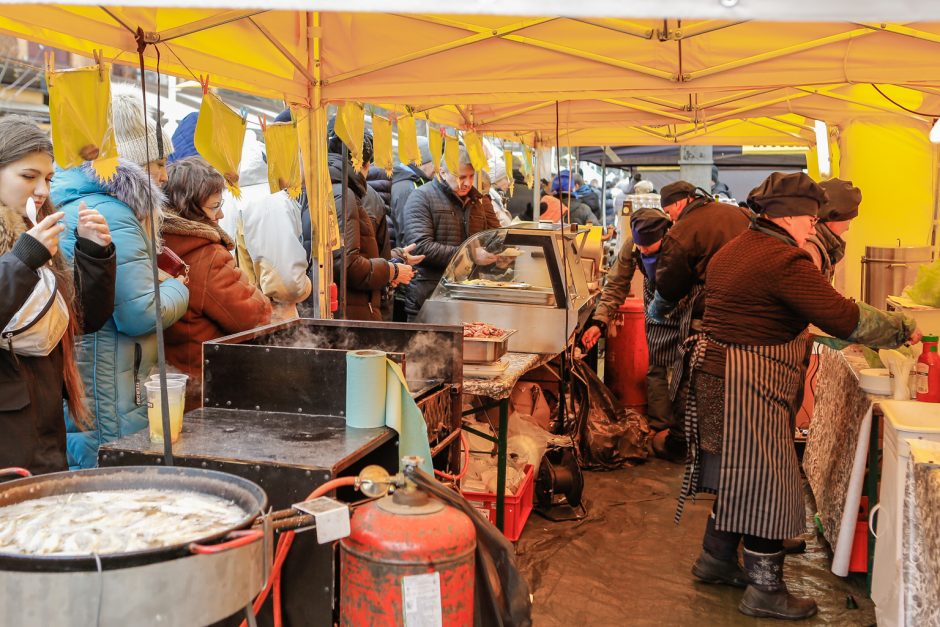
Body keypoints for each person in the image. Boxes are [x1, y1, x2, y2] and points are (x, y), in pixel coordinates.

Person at [680, 171, 919, 620]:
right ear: (789, 217)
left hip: (717, 376)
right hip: (747, 380)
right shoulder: (781, 259)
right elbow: (842, 317)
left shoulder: (737, 248)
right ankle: (764, 591)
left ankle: (714, 560)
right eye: (810, 218)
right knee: (768, 481)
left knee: (737, 474)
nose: (815, 225)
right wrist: (902, 328)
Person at [53, 84, 190, 469]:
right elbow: (139, 314)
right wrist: (180, 287)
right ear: (129, 161)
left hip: (98, 378)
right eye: (157, 162)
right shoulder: (115, 212)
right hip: (112, 384)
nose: (164, 175)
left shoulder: (83, 201)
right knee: (113, 482)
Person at [0, 116, 116, 475]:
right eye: (28, 176)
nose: (41, 190)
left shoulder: (37, 230)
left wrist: (94, 254)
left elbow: (80, 320)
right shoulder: (30, 245)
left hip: (45, 420)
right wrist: (23, 259)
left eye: (47, 179)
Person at [646, 181, 751, 462]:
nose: (670, 218)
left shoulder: (684, 230)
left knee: (691, 377)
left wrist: (657, 309)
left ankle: (680, 444)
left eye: (670, 210)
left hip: (710, 314)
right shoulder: (738, 214)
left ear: (683, 202)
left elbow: (669, 284)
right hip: (749, 315)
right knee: (736, 380)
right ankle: (726, 448)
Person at [162, 157, 272, 410]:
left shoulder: (159, 243)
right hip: (208, 385)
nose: (221, 214)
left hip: (177, 380)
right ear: (189, 209)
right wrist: (264, 301)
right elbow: (252, 315)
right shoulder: (205, 255)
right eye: (214, 207)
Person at [581, 208, 675, 433]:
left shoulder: (679, 242)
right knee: (656, 366)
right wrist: (599, 322)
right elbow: (615, 285)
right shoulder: (633, 245)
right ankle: (660, 429)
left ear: (663, 237)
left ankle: (682, 434)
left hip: (685, 306)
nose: (642, 250)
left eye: (647, 247)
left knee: (684, 370)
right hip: (655, 305)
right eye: (639, 246)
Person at [216, 131, 312, 322]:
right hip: (270, 316)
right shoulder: (269, 200)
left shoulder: (225, 197)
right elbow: (287, 284)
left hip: (235, 313)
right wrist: (306, 286)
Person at [329, 125, 413, 321]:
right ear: (364, 164)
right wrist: (392, 270)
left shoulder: (329, 187)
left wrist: (396, 257)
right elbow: (347, 265)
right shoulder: (345, 194)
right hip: (351, 311)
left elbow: (354, 251)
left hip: (351, 306)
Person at [402, 145, 492, 320]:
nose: (467, 183)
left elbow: (484, 240)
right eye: (461, 177)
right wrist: (470, 255)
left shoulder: (476, 202)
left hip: (464, 296)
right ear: (442, 172)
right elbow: (420, 247)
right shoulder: (421, 197)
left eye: (471, 176)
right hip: (429, 296)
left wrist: (495, 254)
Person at [803, 178, 861, 282]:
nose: (848, 227)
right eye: (849, 219)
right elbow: (810, 296)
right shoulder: (810, 249)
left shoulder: (821, 245)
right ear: (833, 217)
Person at [390, 136, 434, 248]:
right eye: (434, 161)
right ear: (422, 162)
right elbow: (406, 230)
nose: (437, 167)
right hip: (411, 257)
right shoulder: (407, 187)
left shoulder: (415, 182)